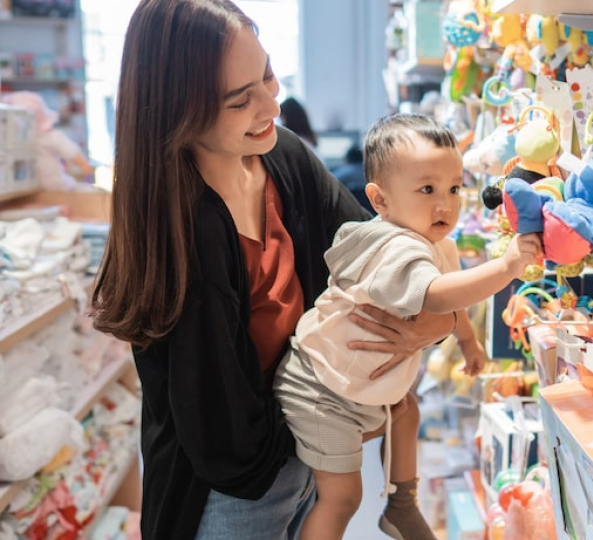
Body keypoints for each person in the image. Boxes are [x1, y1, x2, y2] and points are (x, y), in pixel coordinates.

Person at [89, 2, 455, 539]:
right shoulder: (182, 229)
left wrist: (438, 323)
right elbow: (225, 441)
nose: (271, 101)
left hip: (307, 453)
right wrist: (327, 418)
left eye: (265, 73)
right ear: (178, 111)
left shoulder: (282, 156)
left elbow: (385, 256)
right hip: (231, 494)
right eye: (241, 99)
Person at [273, 113, 542, 540]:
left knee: (407, 409)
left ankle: (401, 503)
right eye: (427, 189)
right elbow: (436, 294)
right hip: (320, 390)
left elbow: (450, 303)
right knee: (342, 496)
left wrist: (469, 342)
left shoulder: (435, 244)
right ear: (380, 200)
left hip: (354, 385)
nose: (446, 204)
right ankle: (392, 506)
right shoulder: (394, 245)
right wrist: (507, 266)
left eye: (454, 188)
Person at [331, 143, 372, 213]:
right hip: (372, 213)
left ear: (346, 160)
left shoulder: (340, 174)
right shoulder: (371, 174)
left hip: (346, 213)